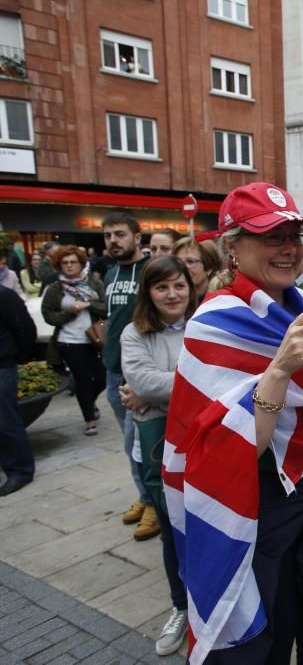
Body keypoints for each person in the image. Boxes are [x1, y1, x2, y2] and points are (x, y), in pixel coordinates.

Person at [165, 182, 303, 664]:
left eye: (295, 235)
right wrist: (280, 369)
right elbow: (236, 451)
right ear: (232, 247)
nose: (288, 248)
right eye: (271, 236)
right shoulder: (215, 322)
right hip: (262, 514)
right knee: (270, 640)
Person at [120, 256, 197, 654]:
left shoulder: (205, 324)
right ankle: (180, 606)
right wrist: (199, 379)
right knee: (171, 531)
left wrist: (157, 393)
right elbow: (143, 382)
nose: (172, 294)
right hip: (157, 449)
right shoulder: (135, 334)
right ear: (148, 292)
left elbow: (154, 389)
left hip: (203, 446)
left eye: (179, 285)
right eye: (162, 287)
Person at [101, 210, 157, 539]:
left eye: (119, 234)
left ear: (137, 237)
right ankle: (144, 495)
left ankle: (152, 501)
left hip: (138, 373)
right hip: (113, 369)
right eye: (108, 236)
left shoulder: (149, 271)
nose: (113, 241)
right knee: (129, 445)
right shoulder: (109, 274)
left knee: (138, 440)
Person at [41, 245, 107, 437]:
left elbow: (106, 308)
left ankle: (89, 401)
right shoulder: (55, 288)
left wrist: (89, 305)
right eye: (65, 263)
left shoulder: (94, 284)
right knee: (83, 380)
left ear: (81, 264)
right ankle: (89, 420)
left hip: (95, 338)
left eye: (73, 262)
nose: (69, 266)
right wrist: (69, 313)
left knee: (102, 378)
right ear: (59, 266)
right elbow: (48, 316)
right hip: (68, 341)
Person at [0, 285, 37, 497]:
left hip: (3, 367)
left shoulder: (4, 295)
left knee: (6, 422)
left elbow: (24, 328)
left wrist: (20, 357)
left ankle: (20, 471)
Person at [171, 236, 223, 303]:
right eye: (178, 261)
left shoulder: (220, 300)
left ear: (209, 268)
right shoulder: (171, 298)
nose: (182, 267)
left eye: (190, 262)